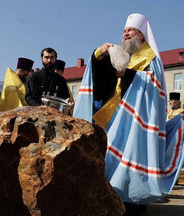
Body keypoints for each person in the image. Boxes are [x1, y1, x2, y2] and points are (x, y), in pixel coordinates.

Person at [74, 13, 165, 214]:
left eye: (129, 31)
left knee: (130, 173)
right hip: (111, 119)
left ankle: (132, 208)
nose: (125, 34)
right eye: (124, 31)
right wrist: (98, 55)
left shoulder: (151, 59)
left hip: (134, 124)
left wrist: (129, 75)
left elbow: (154, 87)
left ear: (141, 35)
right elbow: (101, 82)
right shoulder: (120, 53)